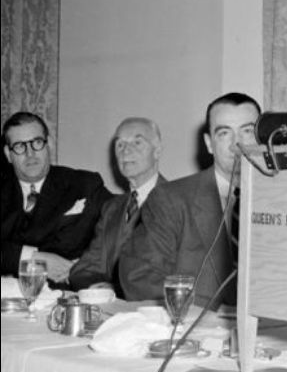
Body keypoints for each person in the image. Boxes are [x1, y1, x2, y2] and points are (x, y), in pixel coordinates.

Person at [119, 92, 261, 306]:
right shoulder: (171, 199)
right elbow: (140, 278)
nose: (237, 143)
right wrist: (198, 315)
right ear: (209, 143)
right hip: (196, 321)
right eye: (224, 133)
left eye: (247, 131)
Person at [1, 112, 111, 282]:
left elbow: (123, 224)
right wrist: (33, 258)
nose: (30, 154)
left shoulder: (84, 185)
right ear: (8, 154)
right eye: (19, 146)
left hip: (67, 291)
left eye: (37, 142)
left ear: (49, 144)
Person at [69, 117, 166, 294]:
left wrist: (118, 290)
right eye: (120, 144)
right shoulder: (112, 208)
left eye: (137, 142)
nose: (126, 151)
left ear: (157, 151)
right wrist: (98, 289)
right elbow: (84, 269)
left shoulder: (178, 202)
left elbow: (177, 275)